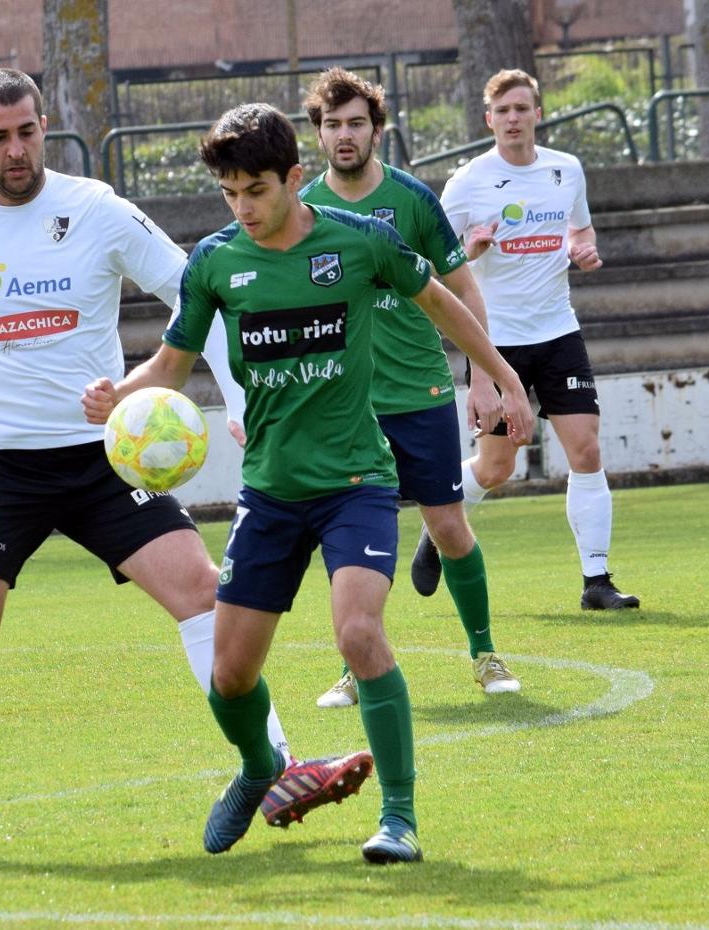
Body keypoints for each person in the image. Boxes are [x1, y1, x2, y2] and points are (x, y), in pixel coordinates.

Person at [0, 69, 372, 864]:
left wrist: (239, 394)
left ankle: (277, 768)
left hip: (104, 455)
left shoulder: (96, 210)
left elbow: (195, 292)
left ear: (45, 126)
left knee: (203, 592)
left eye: (27, 131)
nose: (16, 149)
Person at [82, 103, 533, 863]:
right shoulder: (216, 262)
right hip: (270, 492)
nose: (244, 208)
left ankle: (399, 819)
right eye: (230, 193)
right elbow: (171, 364)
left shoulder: (361, 242)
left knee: (359, 633)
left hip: (356, 481)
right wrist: (120, 394)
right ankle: (261, 766)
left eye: (256, 189)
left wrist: (503, 378)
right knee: (229, 677)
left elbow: (439, 300)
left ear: (295, 178)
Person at [298, 67, 521, 709]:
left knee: (448, 527)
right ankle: (356, 662)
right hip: (346, 407)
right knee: (349, 537)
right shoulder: (305, 210)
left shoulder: (414, 200)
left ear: (377, 130)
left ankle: (484, 653)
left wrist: (482, 376)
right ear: (318, 132)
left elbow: (465, 289)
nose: (345, 135)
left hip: (419, 393)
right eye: (333, 124)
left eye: (356, 123)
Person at [419, 68, 641, 611]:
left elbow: (579, 230)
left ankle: (597, 581)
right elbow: (430, 262)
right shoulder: (468, 181)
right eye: (503, 111)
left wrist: (582, 249)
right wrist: (469, 249)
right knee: (497, 468)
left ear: (538, 114)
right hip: (496, 343)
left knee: (585, 449)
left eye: (522, 109)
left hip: (559, 330)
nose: (513, 119)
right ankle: (438, 523)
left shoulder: (566, 170)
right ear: (488, 119)